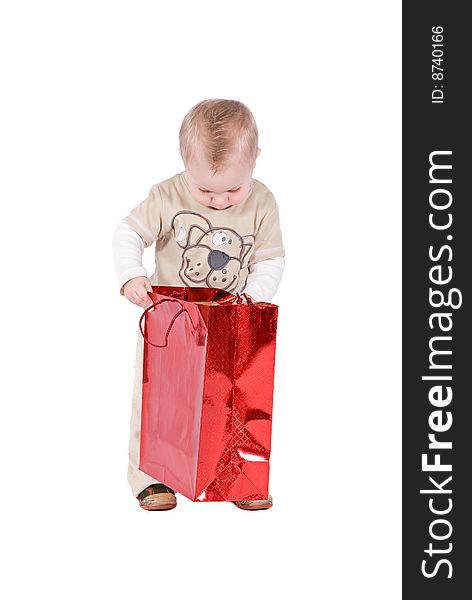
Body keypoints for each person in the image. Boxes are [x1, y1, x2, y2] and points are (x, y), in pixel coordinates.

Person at [112, 99, 285, 511]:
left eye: (232, 190)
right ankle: (151, 476)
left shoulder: (261, 200)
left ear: (255, 161)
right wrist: (131, 275)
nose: (220, 201)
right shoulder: (167, 194)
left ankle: (237, 474)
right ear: (185, 163)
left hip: (232, 322)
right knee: (160, 399)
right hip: (172, 325)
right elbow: (128, 233)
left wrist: (255, 297)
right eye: (205, 190)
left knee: (234, 401)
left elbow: (271, 257)